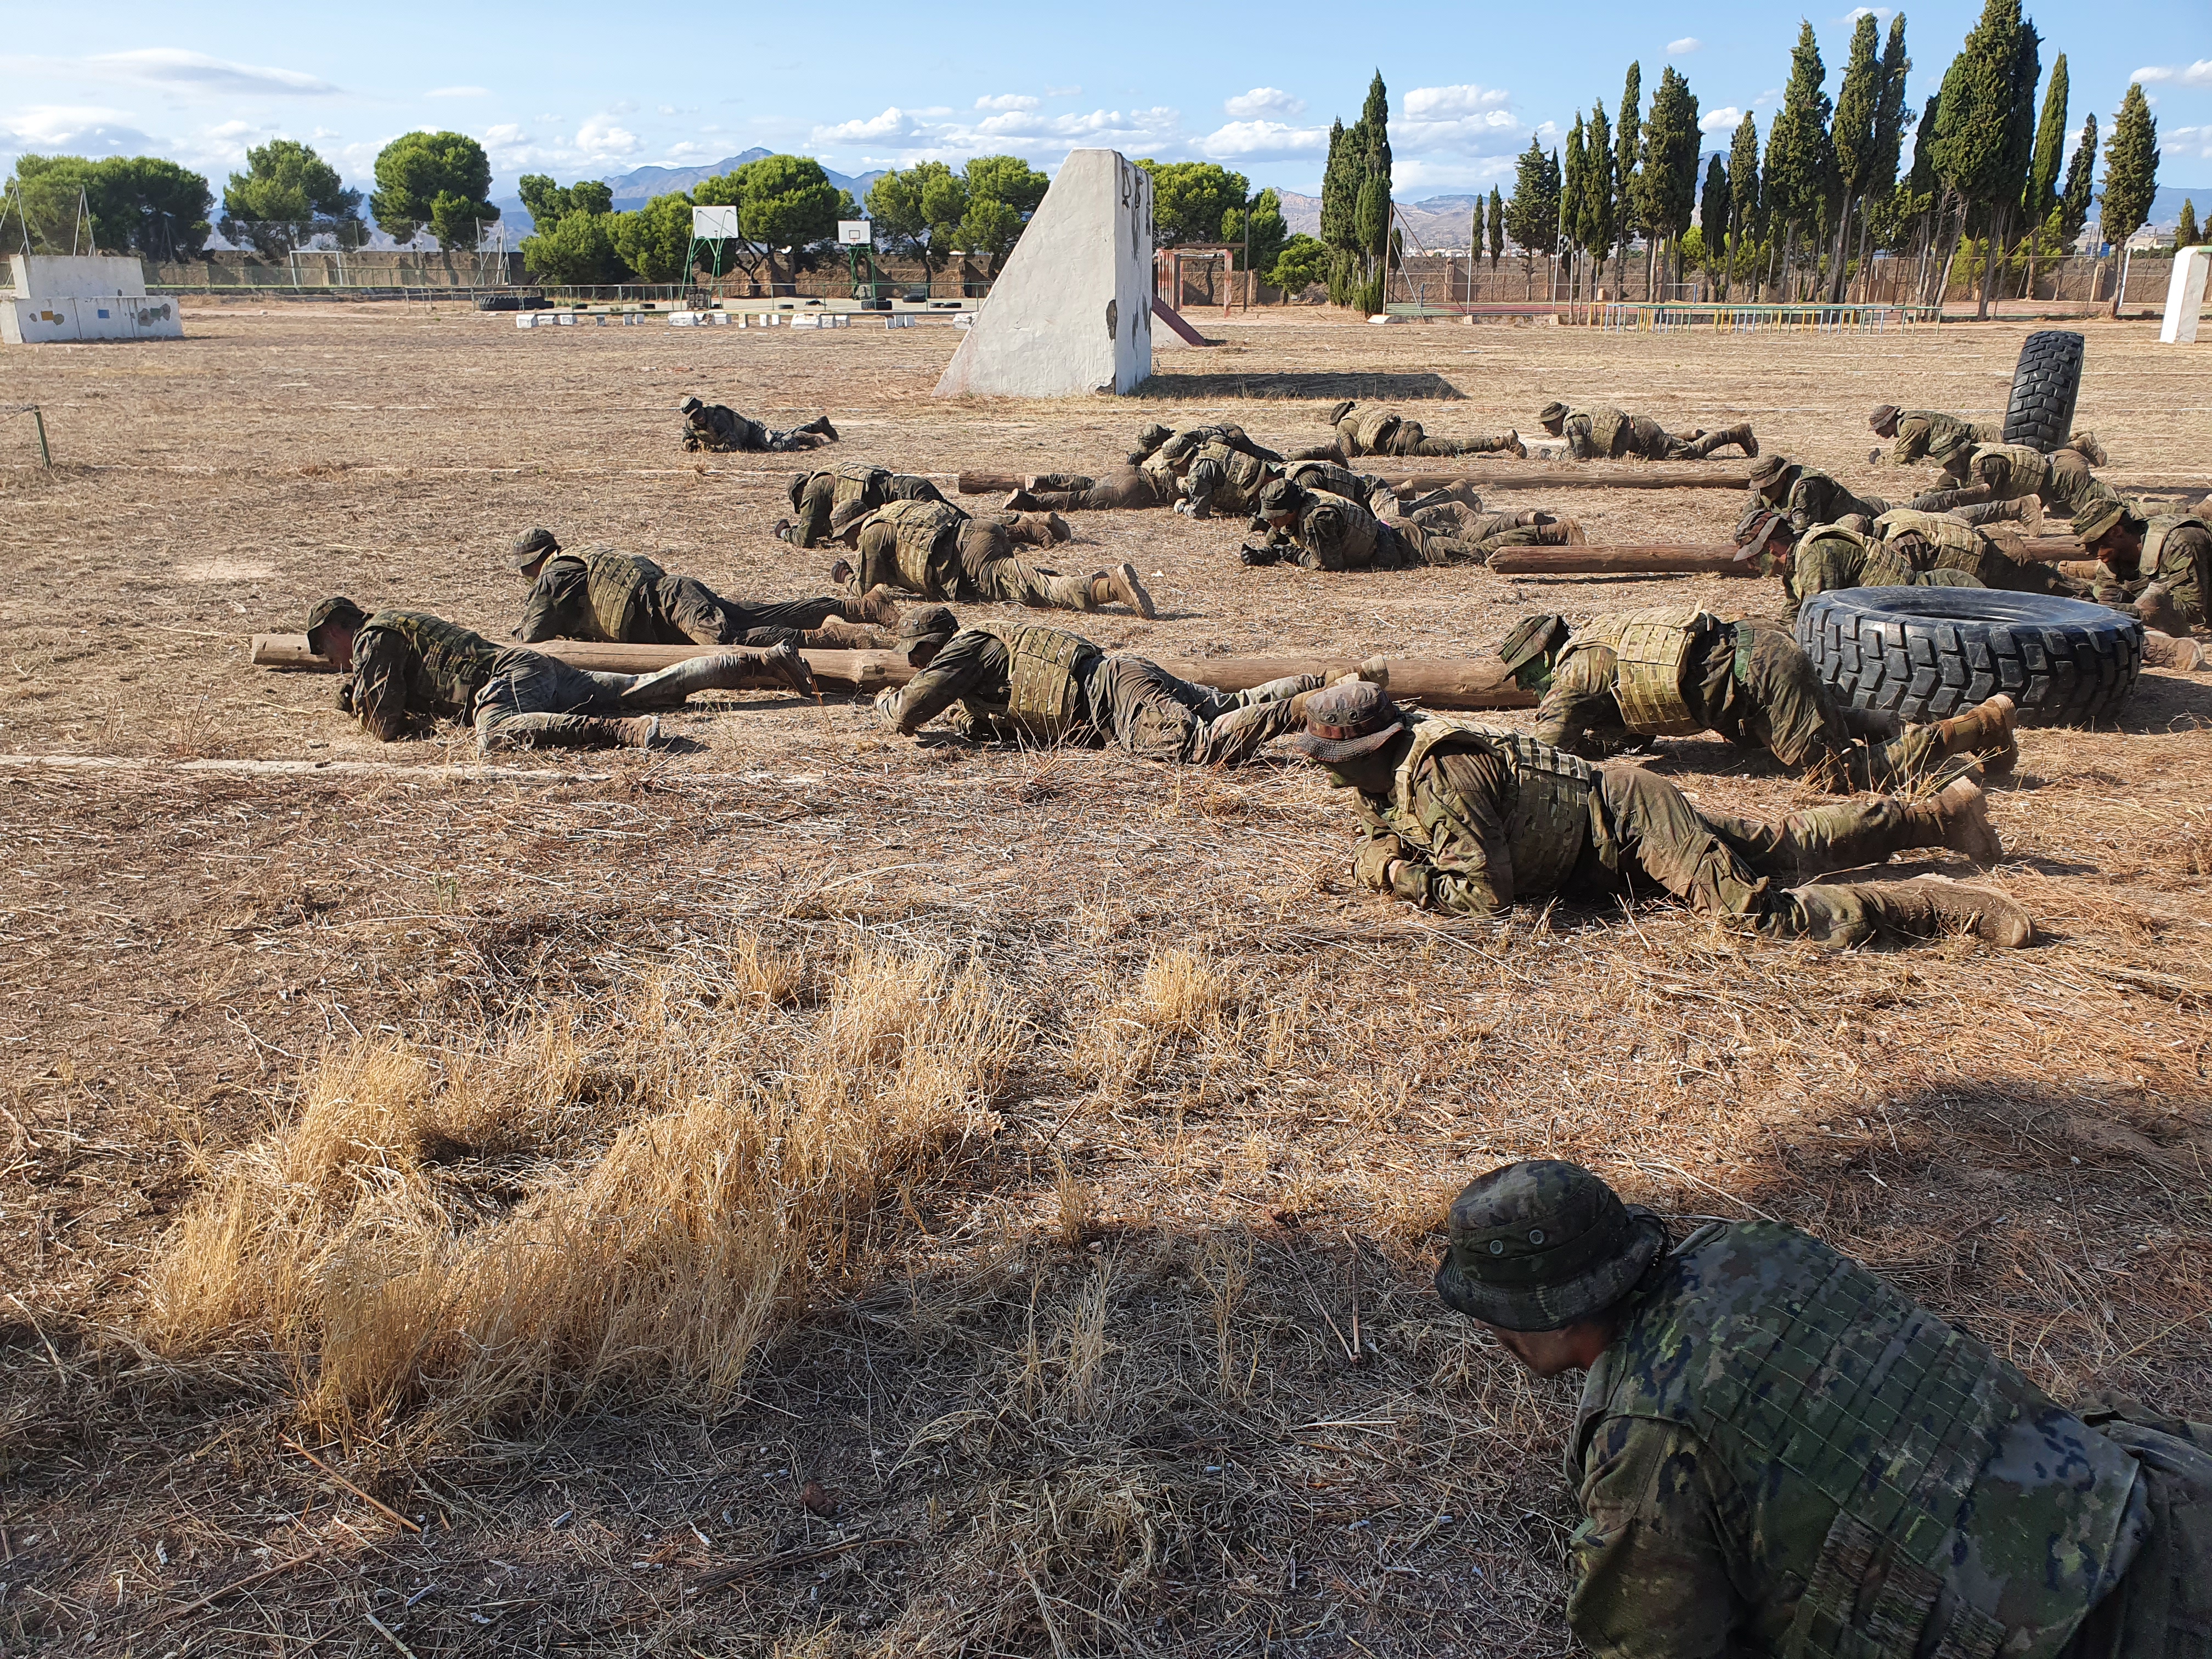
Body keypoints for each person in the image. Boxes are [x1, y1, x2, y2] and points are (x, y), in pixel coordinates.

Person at [1433, 1158, 2212, 1659]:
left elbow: (1649, 1642)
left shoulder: (1649, 1436)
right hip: (2158, 1500)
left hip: (2095, 1630)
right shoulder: (1754, 1247)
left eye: (1492, 1311)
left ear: (1549, 1316)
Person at [1288, 679, 2033, 949]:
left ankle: (1936, 909)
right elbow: (1382, 828)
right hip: (1608, 834)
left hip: (1628, 821)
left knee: (1759, 914)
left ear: (1372, 748)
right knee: (1780, 844)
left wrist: (1396, 878)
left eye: (1336, 762)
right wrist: (1379, 854)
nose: (1332, 777)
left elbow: (1487, 896)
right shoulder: (1387, 776)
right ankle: (1942, 817)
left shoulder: (1444, 772)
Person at [1499, 605, 2019, 789]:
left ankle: (1980, 725)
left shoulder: (1571, 679)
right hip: (1756, 652)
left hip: (1759, 676)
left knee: (1838, 775)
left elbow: (1545, 757)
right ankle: (1904, 732)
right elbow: (1635, 726)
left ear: (1543, 657)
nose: (1529, 688)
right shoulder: (1598, 639)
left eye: (1526, 677)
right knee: (1828, 721)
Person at [304, 596, 815, 753]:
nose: (329, 660)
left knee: (498, 734)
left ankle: (622, 733)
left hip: (506, 680)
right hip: (533, 668)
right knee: (643, 686)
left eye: (323, 648)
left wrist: (353, 700)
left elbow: (385, 724)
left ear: (335, 629)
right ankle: (761, 661)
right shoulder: (397, 622)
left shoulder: (374, 637)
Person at [873, 607, 1377, 764]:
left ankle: (1306, 705)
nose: (913, 666)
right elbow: (992, 713)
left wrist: (883, 702)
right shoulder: (985, 651)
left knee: (1197, 748)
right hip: (1122, 675)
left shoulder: (964, 648)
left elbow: (908, 712)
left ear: (931, 647)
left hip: (1114, 698)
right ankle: (1331, 680)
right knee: (1230, 703)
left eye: (915, 656)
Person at [505, 529, 891, 650]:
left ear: (534, 562)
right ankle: (862, 608)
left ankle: (829, 637)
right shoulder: (581, 557)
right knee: (759, 614)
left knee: (726, 642)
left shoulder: (556, 573)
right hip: (671, 599)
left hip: (665, 605)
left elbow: (533, 633)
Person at [832, 496, 1156, 618]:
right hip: (979, 531)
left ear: (852, 529)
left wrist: (846, 577)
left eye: (845, 538)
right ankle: (1097, 582)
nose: (848, 545)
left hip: (967, 558)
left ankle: (1111, 588)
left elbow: (868, 594)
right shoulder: (896, 509)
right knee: (1030, 581)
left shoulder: (872, 534)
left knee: (1037, 588)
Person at [1242, 478, 1575, 571]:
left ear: (1288, 510)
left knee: (1473, 551)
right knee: (1465, 535)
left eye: (1274, 515)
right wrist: (1268, 549)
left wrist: (1288, 555)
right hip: (1396, 529)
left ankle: (1550, 533)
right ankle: (1524, 519)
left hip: (1402, 545)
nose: (1271, 522)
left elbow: (1330, 565)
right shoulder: (1308, 496)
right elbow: (1283, 529)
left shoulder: (1318, 521)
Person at [1737, 510, 1983, 626]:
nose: (1754, 566)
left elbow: (1820, 621)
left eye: (1754, 559)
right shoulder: (1797, 563)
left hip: (1928, 604)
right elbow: (1793, 614)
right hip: (1905, 611)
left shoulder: (1815, 556)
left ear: (1771, 548)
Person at [1005, 422, 1277, 514]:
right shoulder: (1199, 468)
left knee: (1087, 484)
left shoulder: (1184, 449)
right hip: (1139, 488)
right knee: (1084, 500)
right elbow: (1199, 510)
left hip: (1135, 474)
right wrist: (1181, 505)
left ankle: (1040, 480)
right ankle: (1032, 501)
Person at [2074, 497, 2210, 637]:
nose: (2088, 551)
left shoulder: (2177, 543)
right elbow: (2103, 594)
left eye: (2093, 542)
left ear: (2117, 532)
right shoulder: (2113, 556)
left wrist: (2131, 610)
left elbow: (2194, 613)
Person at [1912, 431, 2114, 521]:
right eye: (1945, 465)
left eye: (1953, 462)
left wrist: (1949, 503)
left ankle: (2144, 508)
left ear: (1963, 454)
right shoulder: (1960, 466)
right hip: (2050, 485)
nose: (1950, 469)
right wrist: (1927, 498)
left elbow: (1986, 500)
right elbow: (1943, 488)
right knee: (2065, 511)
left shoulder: (1986, 465)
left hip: (2064, 475)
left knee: (2107, 509)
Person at [1871, 402, 2107, 469]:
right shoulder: (1909, 422)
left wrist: (1878, 460)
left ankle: (2079, 444)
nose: (1881, 434)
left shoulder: (1911, 426)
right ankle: (2076, 445)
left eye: (1882, 429)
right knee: (2036, 452)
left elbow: (1901, 459)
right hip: (1978, 442)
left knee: (2037, 456)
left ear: (1891, 422)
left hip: (1983, 441)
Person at [1289, 400, 1527, 462]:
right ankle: (1502, 442)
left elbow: (1348, 453)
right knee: (1449, 443)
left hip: (1403, 443)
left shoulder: (1344, 425)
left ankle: (1500, 442)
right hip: (1407, 428)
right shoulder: (1364, 411)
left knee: (1453, 447)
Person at [778, 465, 949, 548]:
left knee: (942, 537)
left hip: (907, 495)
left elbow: (804, 538)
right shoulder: (832, 474)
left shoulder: (813, 489)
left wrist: (785, 532)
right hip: (912, 485)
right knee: (957, 524)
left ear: (800, 493)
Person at [1536, 402, 1757, 462]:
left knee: (1692, 453)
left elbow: (1575, 455)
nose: (1547, 429)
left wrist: (1549, 456)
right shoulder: (1577, 416)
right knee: (1672, 445)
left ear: (1558, 419)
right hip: (1638, 433)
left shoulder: (1571, 425)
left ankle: (1736, 434)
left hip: (1641, 435)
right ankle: (1690, 434)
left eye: (1548, 424)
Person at [1741, 455, 1890, 539]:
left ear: (1783, 477)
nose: (1764, 491)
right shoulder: (1765, 490)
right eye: (1761, 486)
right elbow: (1747, 519)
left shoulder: (1805, 486)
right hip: (1846, 514)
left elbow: (1801, 530)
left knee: (1895, 515)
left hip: (1859, 515)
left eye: (1769, 485)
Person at [678, 395, 837, 454]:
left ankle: (802, 437)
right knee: (779, 436)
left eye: (699, 413)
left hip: (753, 432)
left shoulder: (718, 417)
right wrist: (689, 446)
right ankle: (817, 426)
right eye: (693, 417)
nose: (698, 419)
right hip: (746, 441)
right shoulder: (690, 426)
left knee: (778, 445)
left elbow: (734, 447)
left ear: (702, 408)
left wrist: (708, 449)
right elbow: (685, 443)